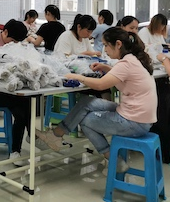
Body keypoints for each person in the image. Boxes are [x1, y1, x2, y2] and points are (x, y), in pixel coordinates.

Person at [36, 27, 157, 175]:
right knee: (86, 102)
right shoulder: (132, 60)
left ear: (118, 44)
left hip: (134, 122)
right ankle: (56, 135)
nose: (105, 49)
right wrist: (106, 67)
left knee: (85, 120)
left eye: (106, 45)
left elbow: (100, 85)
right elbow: (121, 76)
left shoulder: (126, 64)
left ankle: (113, 160)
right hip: (138, 116)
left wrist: (78, 77)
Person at [0, 19, 35, 165]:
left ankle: (17, 150)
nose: (14, 44)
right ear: (5, 32)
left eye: (17, 42)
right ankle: (28, 138)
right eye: (13, 40)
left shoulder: (16, 46)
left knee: (25, 105)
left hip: (9, 91)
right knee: (24, 105)